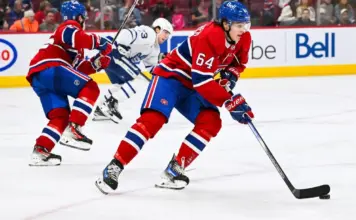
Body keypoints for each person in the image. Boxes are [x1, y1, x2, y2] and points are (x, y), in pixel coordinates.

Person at [95, 1, 253, 194]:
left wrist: (230, 78)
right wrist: (229, 101)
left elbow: (238, 64)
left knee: (211, 122)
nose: (244, 30)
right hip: (171, 77)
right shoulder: (209, 35)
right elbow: (202, 80)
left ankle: (174, 169)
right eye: (239, 25)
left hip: (193, 84)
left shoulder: (244, 38)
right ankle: (114, 167)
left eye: (246, 25)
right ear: (226, 24)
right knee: (153, 120)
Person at [27, 0, 112, 166]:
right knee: (90, 87)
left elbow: (78, 69)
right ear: (79, 17)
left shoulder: (73, 44)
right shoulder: (69, 26)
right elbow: (77, 37)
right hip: (51, 68)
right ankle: (74, 128)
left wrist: (97, 63)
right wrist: (100, 42)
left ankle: (40, 150)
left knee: (60, 116)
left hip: (41, 77)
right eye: (84, 18)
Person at [93, 18, 173, 124]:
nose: (166, 36)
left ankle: (100, 108)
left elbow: (152, 69)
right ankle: (112, 102)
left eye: (168, 34)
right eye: (165, 32)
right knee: (139, 79)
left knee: (121, 84)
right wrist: (121, 45)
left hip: (112, 59)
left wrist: (165, 64)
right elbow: (127, 33)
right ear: (158, 29)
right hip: (113, 53)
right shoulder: (149, 33)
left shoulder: (155, 49)